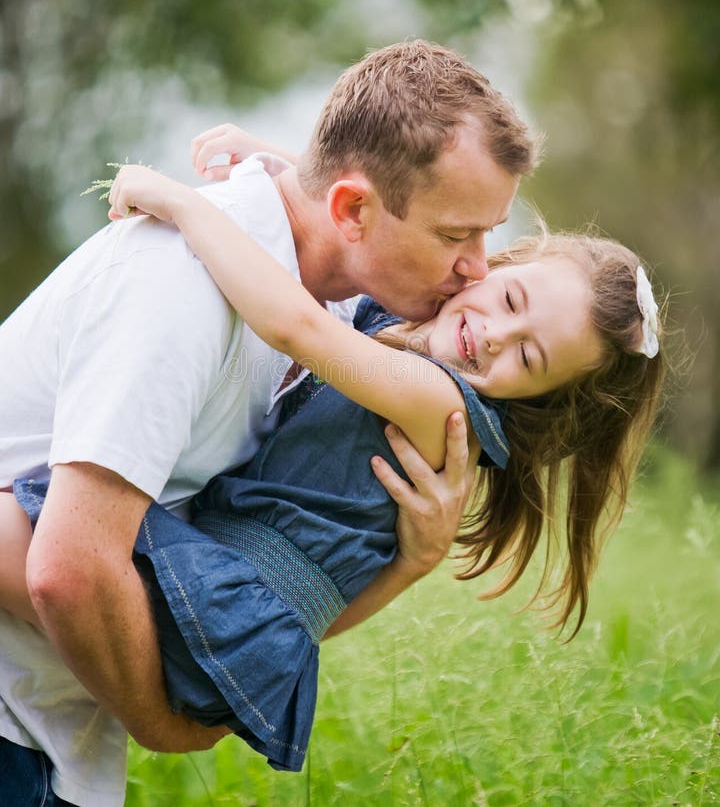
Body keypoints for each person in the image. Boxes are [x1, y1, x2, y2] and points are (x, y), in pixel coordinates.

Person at [0, 40, 540, 806]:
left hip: (56, 728)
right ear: (353, 208)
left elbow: (271, 583)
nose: (479, 268)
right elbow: (70, 568)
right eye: (457, 236)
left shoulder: (344, 305)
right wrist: (168, 724)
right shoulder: (178, 284)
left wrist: (409, 563)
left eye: (489, 233)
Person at [3, 161, 663, 777]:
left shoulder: (438, 404)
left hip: (221, 612)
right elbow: (382, 210)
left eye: (529, 359)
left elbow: (297, 329)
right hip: (236, 602)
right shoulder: (410, 327)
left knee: (45, 539)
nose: (496, 337)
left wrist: (182, 204)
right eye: (513, 303)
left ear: (534, 398)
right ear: (491, 264)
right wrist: (272, 162)